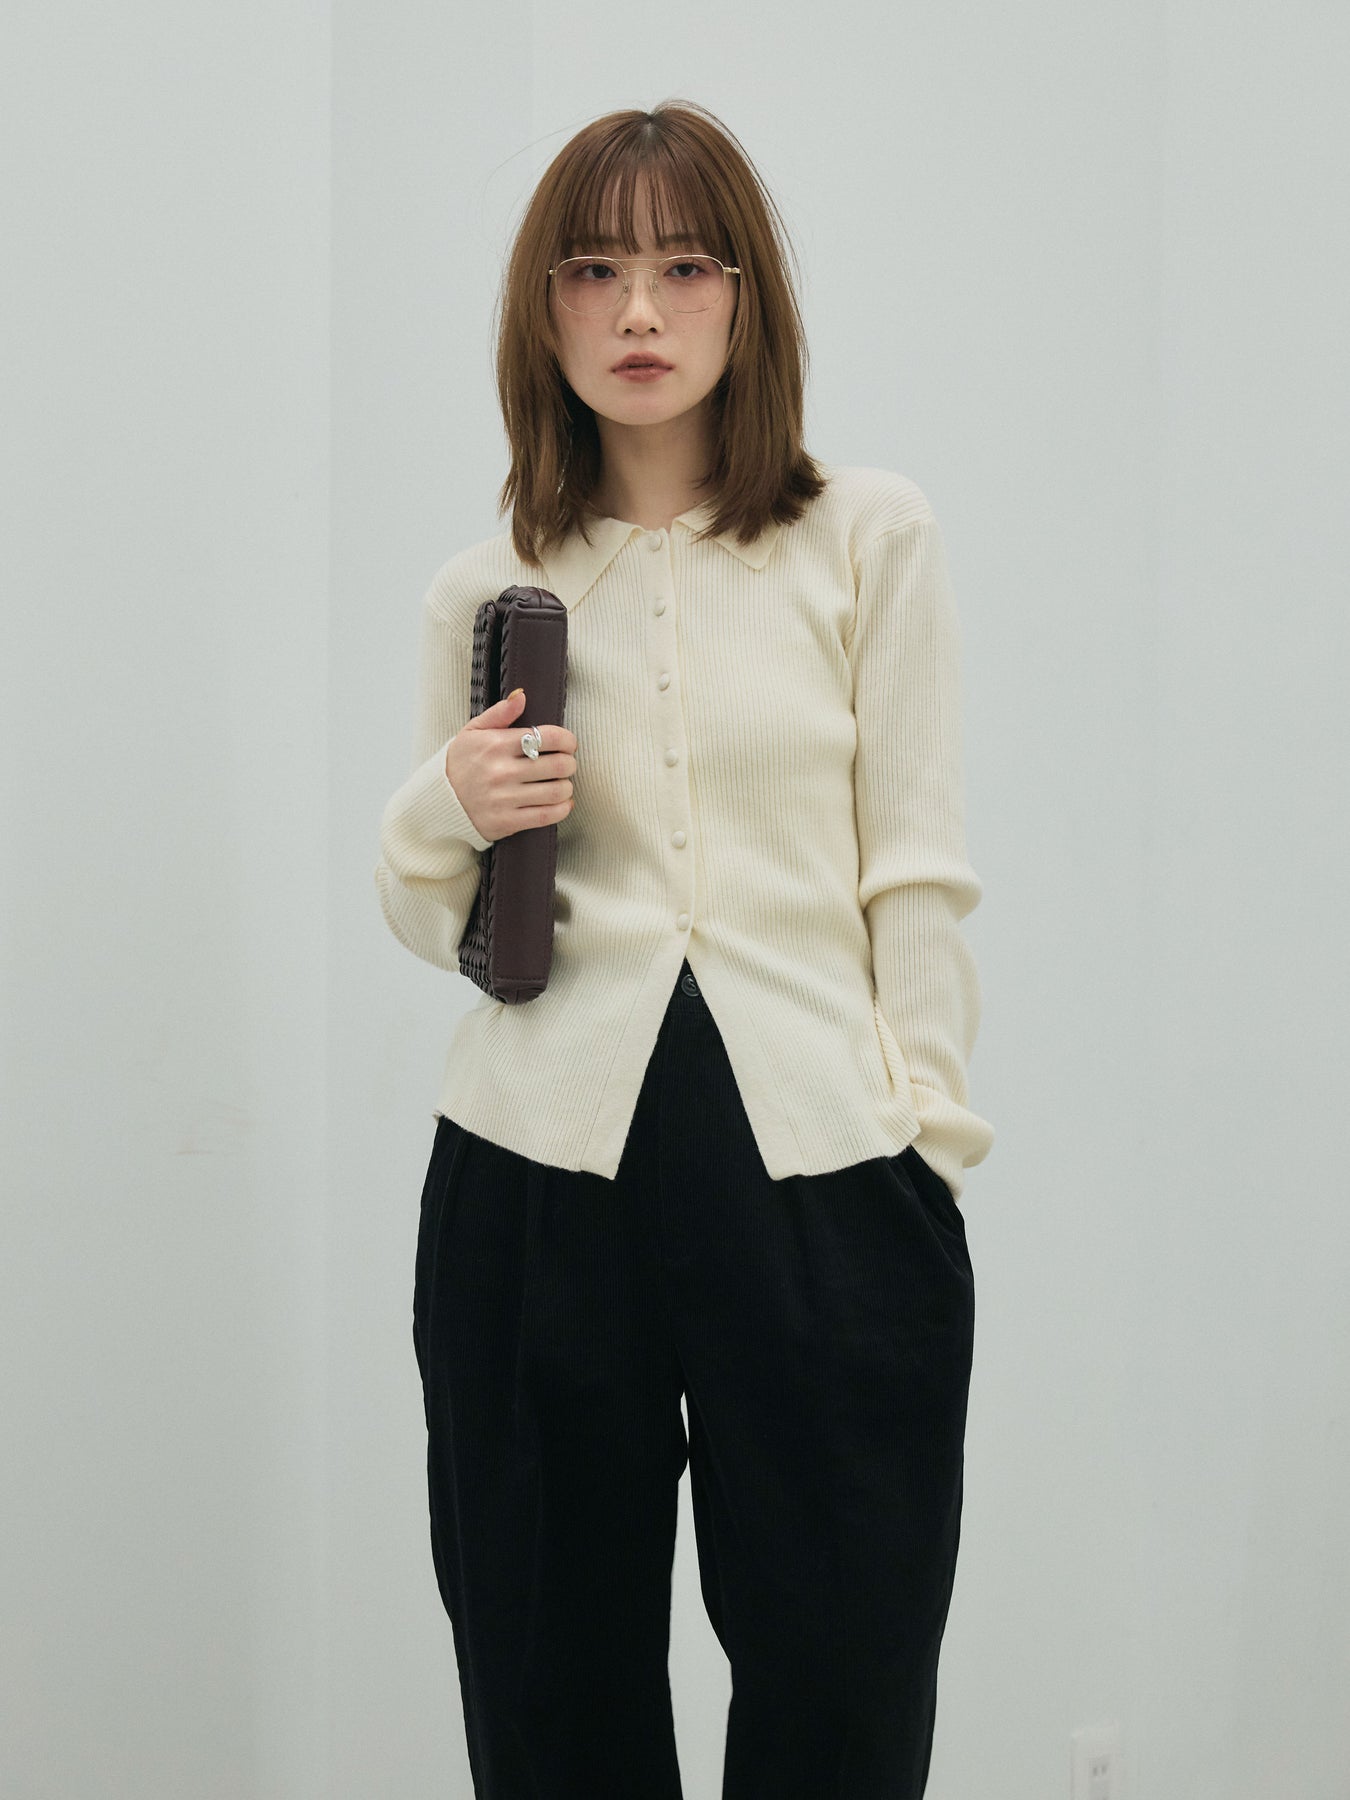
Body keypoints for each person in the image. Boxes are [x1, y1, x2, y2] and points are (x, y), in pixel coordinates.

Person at [374, 98, 994, 1800]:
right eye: (591, 271)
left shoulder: (865, 535)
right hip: (532, 1169)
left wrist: (925, 1143)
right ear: (542, 310)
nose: (636, 311)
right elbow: (432, 917)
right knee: (543, 1676)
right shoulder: (485, 587)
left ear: (743, 298)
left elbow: (916, 866)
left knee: (845, 1672)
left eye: (682, 267)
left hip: (827, 1168)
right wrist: (447, 801)